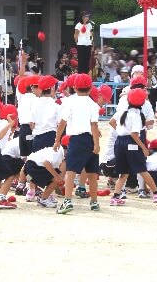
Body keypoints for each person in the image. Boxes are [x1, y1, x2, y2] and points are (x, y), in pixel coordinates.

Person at [53, 73, 102, 214]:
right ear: (90, 88)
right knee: (92, 173)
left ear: (74, 87)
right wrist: (97, 145)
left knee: (71, 172)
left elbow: (62, 122)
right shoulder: (93, 104)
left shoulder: (70, 101)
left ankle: (68, 201)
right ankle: (94, 202)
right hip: (90, 139)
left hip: (76, 139)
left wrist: (57, 140)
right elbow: (94, 126)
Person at [109, 88, 157, 206]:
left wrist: (120, 131)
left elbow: (111, 122)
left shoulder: (122, 112)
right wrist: (143, 147)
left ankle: (116, 196)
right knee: (142, 169)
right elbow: (134, 134)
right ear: (143, 103)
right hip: (132, 143)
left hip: (119, 142)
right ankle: (156, 193)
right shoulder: (137, 115)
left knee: (124, 172)